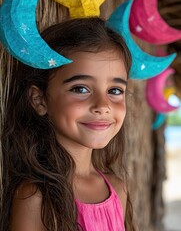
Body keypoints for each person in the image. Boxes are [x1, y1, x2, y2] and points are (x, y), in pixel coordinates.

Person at [0, 17, 135, 231]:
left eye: (115, 91)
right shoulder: (35, 198)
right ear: (39, 100)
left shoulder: (118, 190)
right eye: (81, 89)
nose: (103, 105)